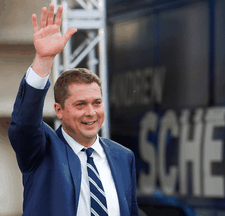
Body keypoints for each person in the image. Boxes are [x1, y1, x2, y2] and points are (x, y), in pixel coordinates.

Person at [8, 3, 139, 216]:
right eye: (80, 104)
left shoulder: (123, 157)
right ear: (59, 110)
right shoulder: (42, 151)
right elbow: (23, 123)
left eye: (96, 102)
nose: (91, 112)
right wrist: (43, 61)